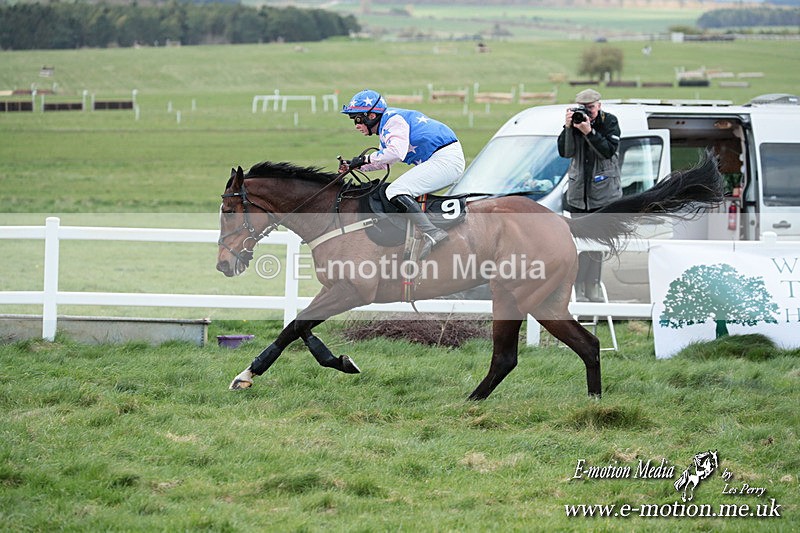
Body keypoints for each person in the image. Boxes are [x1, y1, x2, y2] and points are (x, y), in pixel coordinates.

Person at [340, 89, 465, 259]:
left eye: (357, 119)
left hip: (445, 159)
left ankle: (432, 233)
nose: (356, 125)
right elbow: (385, 161)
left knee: (395, 191)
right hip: (441, 158)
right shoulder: (386, 125)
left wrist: (364, 159)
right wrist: (356, 167)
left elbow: (395, 153)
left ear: (371, 116)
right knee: (396, 190)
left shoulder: (392, 121)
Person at [557, 88, 622, 302]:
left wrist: (589, 132)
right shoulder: (574, 124)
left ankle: (592, 285)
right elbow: (565, 152)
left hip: (602, 196)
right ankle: (577, 286)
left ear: (599, 105)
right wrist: (569, 128)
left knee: (597, 245)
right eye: (584, 109)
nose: (588, 113)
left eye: (592, 108)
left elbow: (607, 151)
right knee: (579, 244)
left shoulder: (610, 122)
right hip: (578, 197)